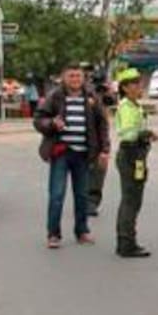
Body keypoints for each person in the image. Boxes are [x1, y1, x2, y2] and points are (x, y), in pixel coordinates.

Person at [33, 62, 110, 248]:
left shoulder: (91, 97)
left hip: (84, 153)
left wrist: (105, 150)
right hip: (61, 153)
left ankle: (82, 231)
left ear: (83, 78)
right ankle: (53, 234)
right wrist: (51, 123)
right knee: (57, 194)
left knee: (82, 195)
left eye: (78, 76)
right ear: (63, 78)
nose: (75, 80)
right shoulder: (55, 97)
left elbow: (102, 125)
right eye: (71, 76)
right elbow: (38, 120)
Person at [113, 68, 158, 257]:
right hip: (130, 155)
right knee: (130, 200)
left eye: (139, 82)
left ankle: (127, 241)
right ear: (124, 88)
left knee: (134, 200)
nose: (139, 86)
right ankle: (126, 243)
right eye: (134, 83)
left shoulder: (135, 106)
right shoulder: (126, 107)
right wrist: (145, 134)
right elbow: (126, 133)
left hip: (138, 156)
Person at [83, 64, 117, 217]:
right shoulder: (84, 89)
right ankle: (84, 201)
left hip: (99, 134)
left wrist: (108, 91)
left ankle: (92, 202)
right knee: (85, 172)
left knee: (98, 172)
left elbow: (111, 101)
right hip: (84, 135)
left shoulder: (101, 89)